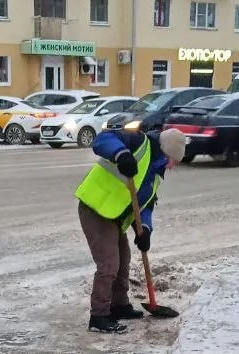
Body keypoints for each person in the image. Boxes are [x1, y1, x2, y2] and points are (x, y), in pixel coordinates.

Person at [75, 125, 187, 333]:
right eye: (174, 161)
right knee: (109, 263)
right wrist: (121, 154)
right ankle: (99, 317)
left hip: (113, 216)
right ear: (166, 153)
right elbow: (102, 139)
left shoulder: (155, 172)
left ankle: (119, 305)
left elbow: (146, 204)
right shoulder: (137, 141)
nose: (173, 166)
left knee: (123, 260)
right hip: (94, 207)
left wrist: (145, 229)